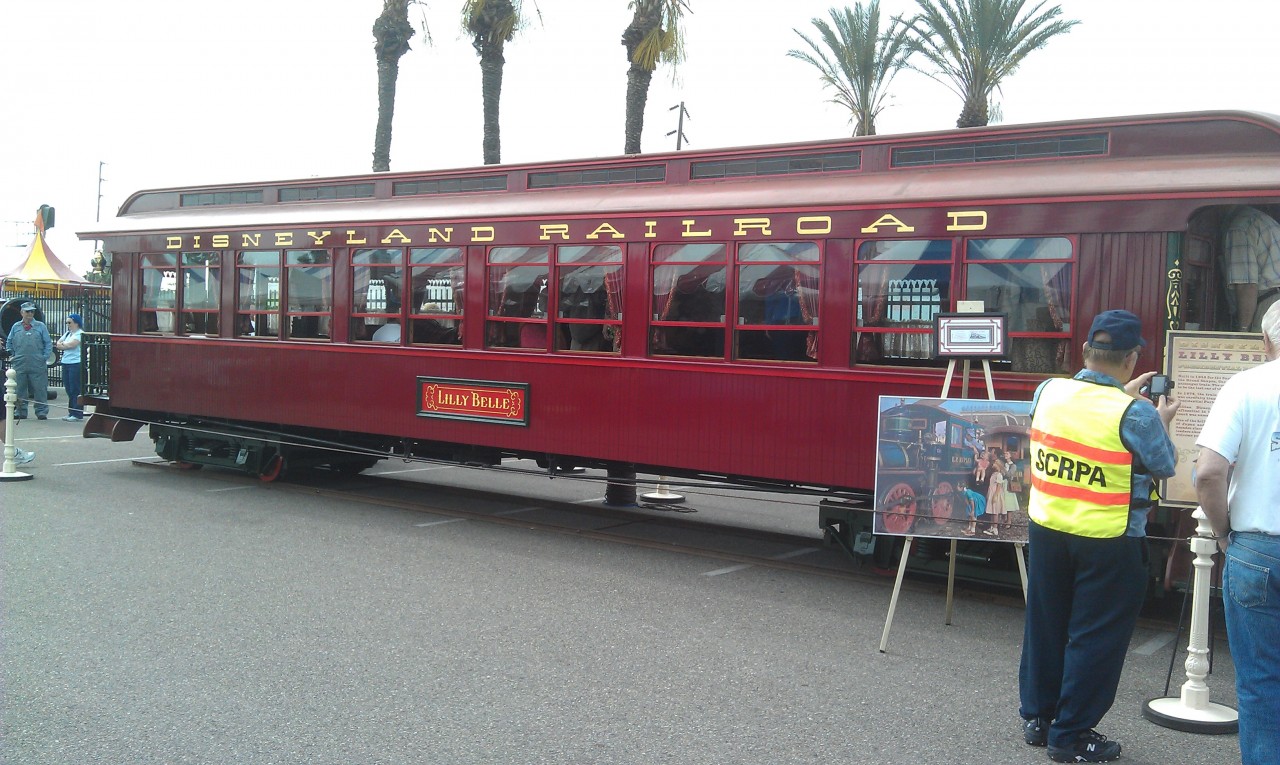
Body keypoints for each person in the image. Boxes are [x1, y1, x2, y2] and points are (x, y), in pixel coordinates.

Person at [1018, 309, 1179, 763]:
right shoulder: (1137, 414)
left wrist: (1118, 396)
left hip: (1048, 527)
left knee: (1046, 626)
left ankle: (1039, 718)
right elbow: (1164, 464)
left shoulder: (1048, 391)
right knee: (1095, 638)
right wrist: (1158, 418)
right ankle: (1071, 735)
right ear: (1131, 360)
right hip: (1110, 539)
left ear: (1087, 351)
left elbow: (1081, 418)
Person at [1194, 299, 1280, 765]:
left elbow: (1208, 472)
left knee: (1261, 682)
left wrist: (1226, 535)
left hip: (1257, 549)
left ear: (1265, 341)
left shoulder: (1245, 386)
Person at [1222, 205, 1280, 332]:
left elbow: (1246, 285)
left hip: (1268, 304)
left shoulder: (1240, 226)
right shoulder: (1264, 220)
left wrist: (1243, 330)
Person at [4, 301, 53, 420]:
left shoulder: (41, 326)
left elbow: (48, 343)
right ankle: (21, 411)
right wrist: (12, 355)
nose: (30, 314)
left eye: (32, 311)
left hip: (37, 363)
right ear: (22, 313)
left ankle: (41, 411)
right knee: (20, 389)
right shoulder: (16, 327)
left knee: (40, 388)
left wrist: (44, 357)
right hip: (19, 362)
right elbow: (9, 342)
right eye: (27, 311)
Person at [55, 313, 84, 421]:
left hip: (75, 362)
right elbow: (58, 343)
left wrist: (63, 346)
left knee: (75, 388)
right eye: (67, 323)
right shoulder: (68, 333)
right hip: (66, 362)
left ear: (76, 323)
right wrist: (63, 346)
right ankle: (71, 411)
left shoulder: (80, 334)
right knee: (68, 388)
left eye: (70, 323)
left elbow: (71, 345)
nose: (68, 325)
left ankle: (77, 413)